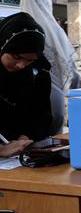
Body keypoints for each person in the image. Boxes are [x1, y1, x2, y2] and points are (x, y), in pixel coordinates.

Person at [20, 0, 81, 135]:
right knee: (53, 141)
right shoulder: (55, 31)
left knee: (28, 140)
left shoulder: (20, 32)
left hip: (24, 96)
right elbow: (72, 71)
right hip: (54, 95)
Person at [0, 12, 52, 157]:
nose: (21, 65)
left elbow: (42, 113)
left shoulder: (39, 72)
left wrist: (25, 138)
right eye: (17, 57)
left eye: (30, 60)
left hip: (17, 154)